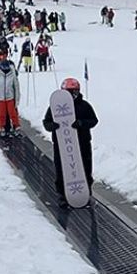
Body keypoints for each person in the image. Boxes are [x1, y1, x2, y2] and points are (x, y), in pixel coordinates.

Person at [43, 78, 99, 206]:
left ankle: (86, 193)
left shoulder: (84, 106)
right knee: (62, 168)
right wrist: (53, 126)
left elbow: (94, 120)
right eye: (68, 93)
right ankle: (62, 195)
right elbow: (46, 122)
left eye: (74, 92)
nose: (72, 95)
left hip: (82, 143)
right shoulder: (55, 107)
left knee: (85, 168)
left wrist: (81, 123)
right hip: (62, 145)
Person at [0, 59, 21, 136]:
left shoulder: (12, 76)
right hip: (0, 99)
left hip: (10, 98)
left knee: (12, 113)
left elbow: (16, 88)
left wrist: (17, 99)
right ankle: (1, 127)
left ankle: (16, 126)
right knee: (1, 114)